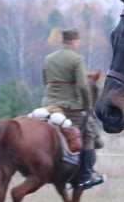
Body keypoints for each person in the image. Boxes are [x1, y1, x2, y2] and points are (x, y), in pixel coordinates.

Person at [40, 28, 105, 190]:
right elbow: (83, 86)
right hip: (69, 107)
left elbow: (45, 80)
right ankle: (87, 174)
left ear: (63, 41)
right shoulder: (76, 59)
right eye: (77, 42)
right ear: (74, 42)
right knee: (89, 134)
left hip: (48, 105)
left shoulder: (48, 59)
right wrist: (88, 105)